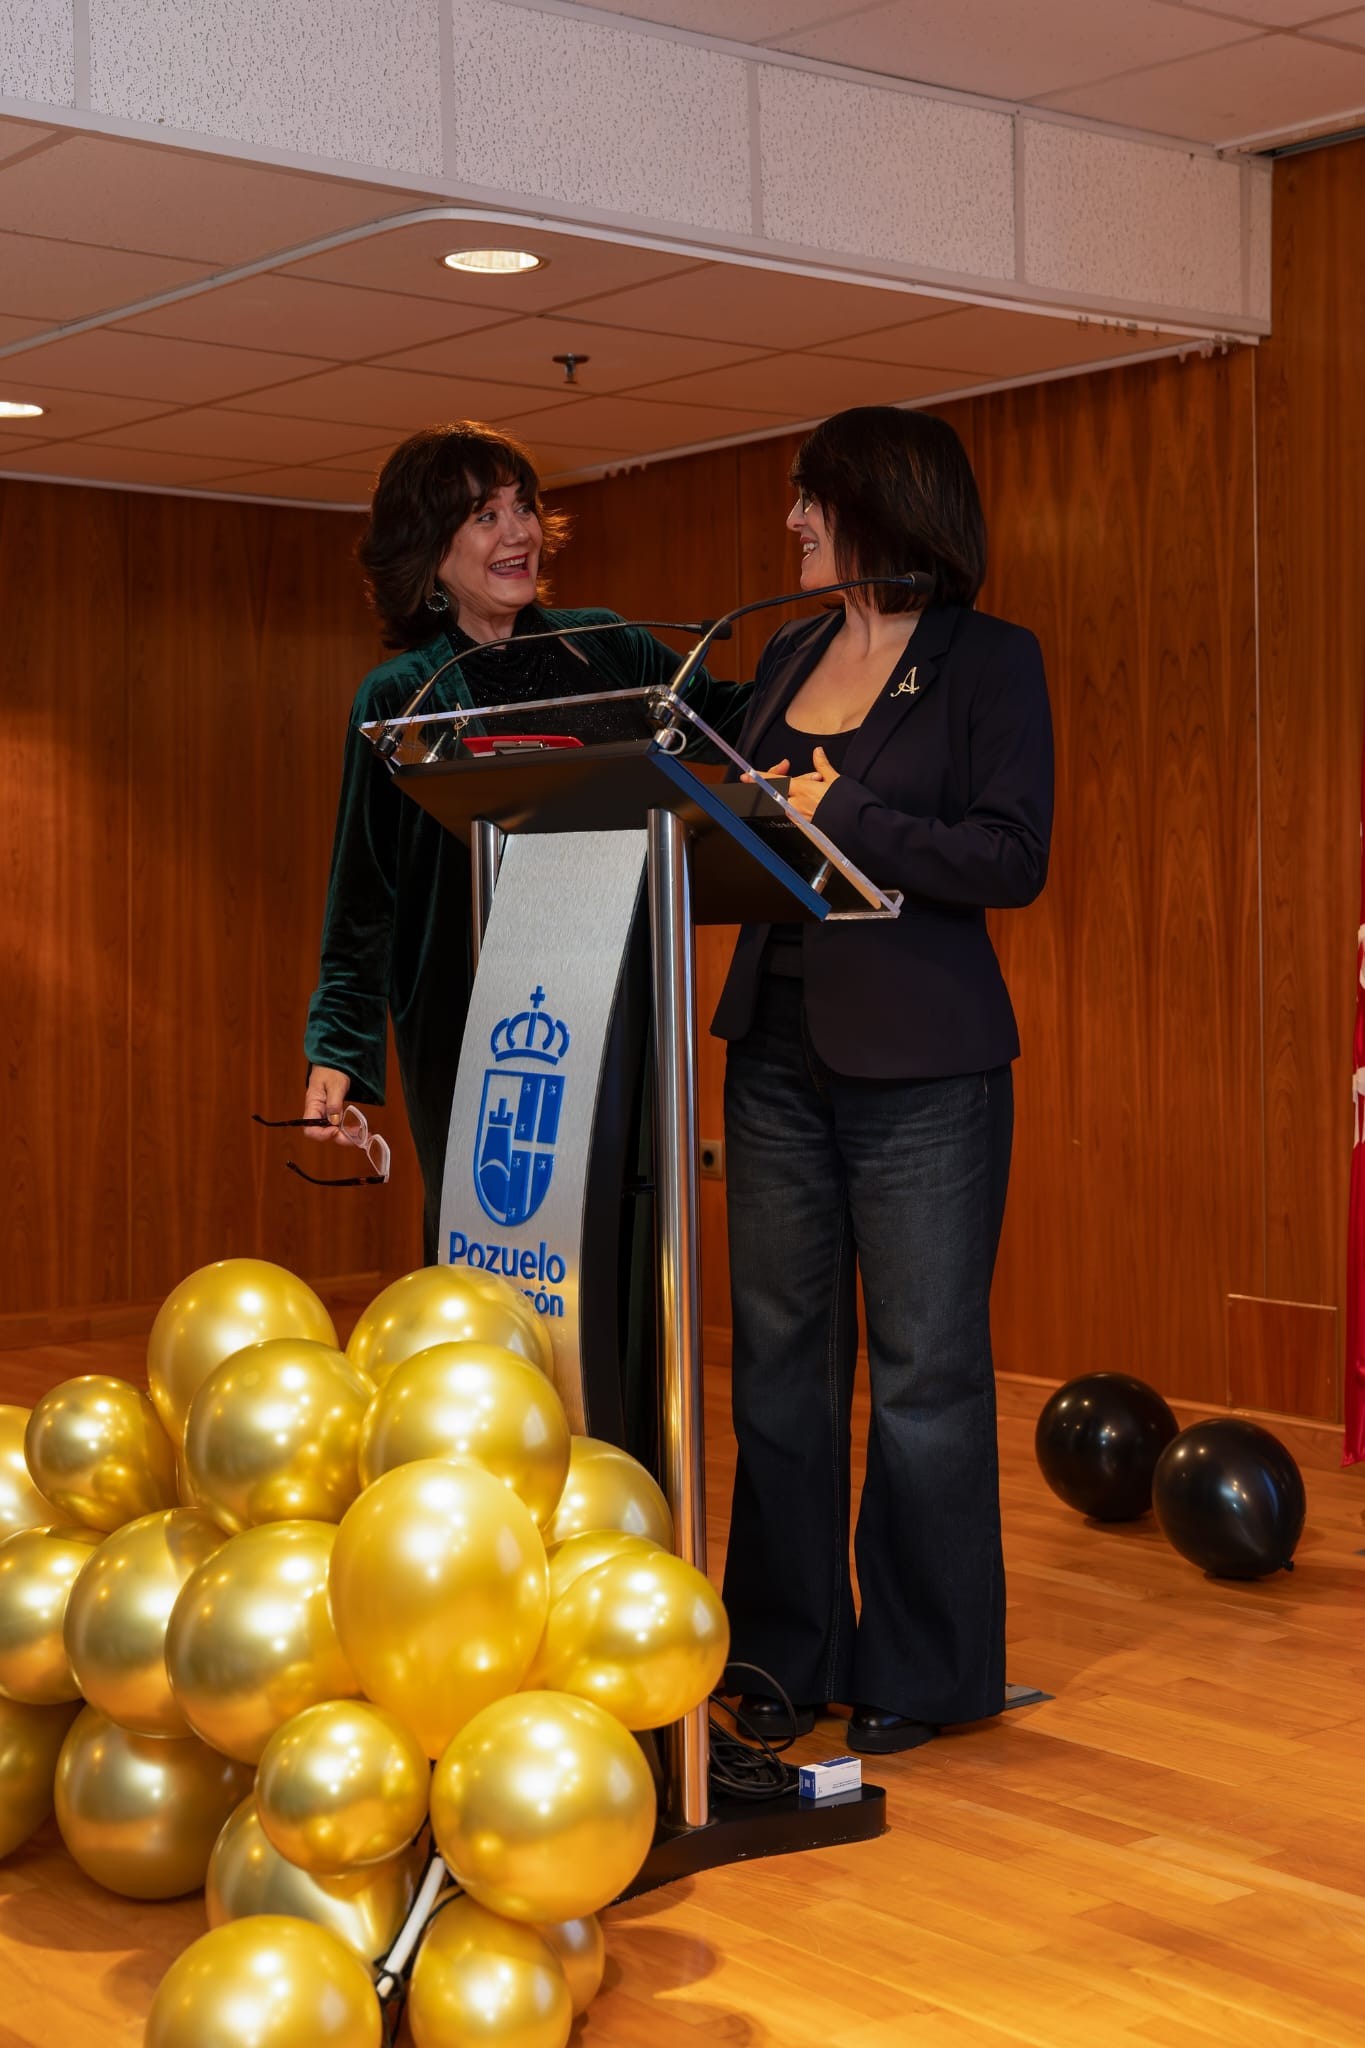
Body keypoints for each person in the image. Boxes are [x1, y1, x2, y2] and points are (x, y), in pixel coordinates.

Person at [713, 406, 1053, 1755]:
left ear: (881, 503)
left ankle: (926, 1670)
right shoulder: (786, 651)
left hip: (924, 1062)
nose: (792, 521)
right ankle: (784, 1657)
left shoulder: (988, 661)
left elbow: (1010, 858)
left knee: (921, 1377)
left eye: (811, 499)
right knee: (781, 1368)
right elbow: (728, 802)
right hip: (775, 1047)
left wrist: (842, 813)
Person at [303, 421, 743, 1259]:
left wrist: (841, 655)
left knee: (619, 1249)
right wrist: (337, 1049)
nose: (518, 533)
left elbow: (732, 724)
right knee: (492, 1246)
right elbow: (366, 892)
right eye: (482, 517)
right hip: (464, 1018)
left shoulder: (609, 648)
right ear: (429, 551)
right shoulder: (404, 692)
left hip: (614, 1000)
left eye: (523, 508)